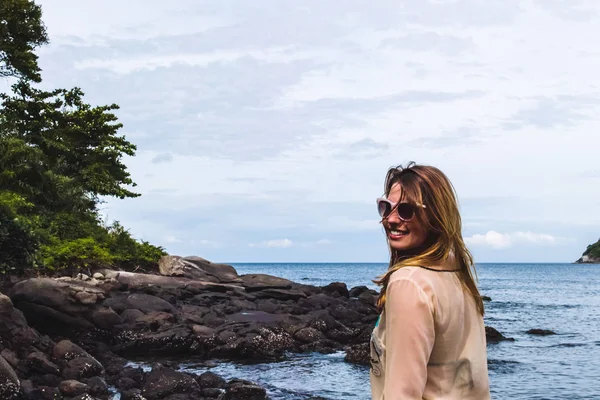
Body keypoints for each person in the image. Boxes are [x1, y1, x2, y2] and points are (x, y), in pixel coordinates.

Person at [369, 162, 491, 400]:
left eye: (406, 210)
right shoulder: (459, 275)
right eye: (387, 207)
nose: (391, 220)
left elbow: (402, 395)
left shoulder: (408, 283)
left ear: (435, 216)